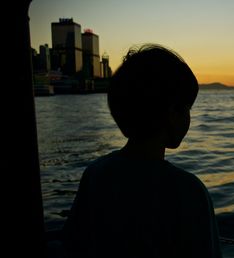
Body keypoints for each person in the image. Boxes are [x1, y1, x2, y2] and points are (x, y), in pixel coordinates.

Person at [62, 44, 222, 258]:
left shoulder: (95, 173)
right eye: (187, 108)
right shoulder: (189, 192)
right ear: (173, 112)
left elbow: (73, 245)